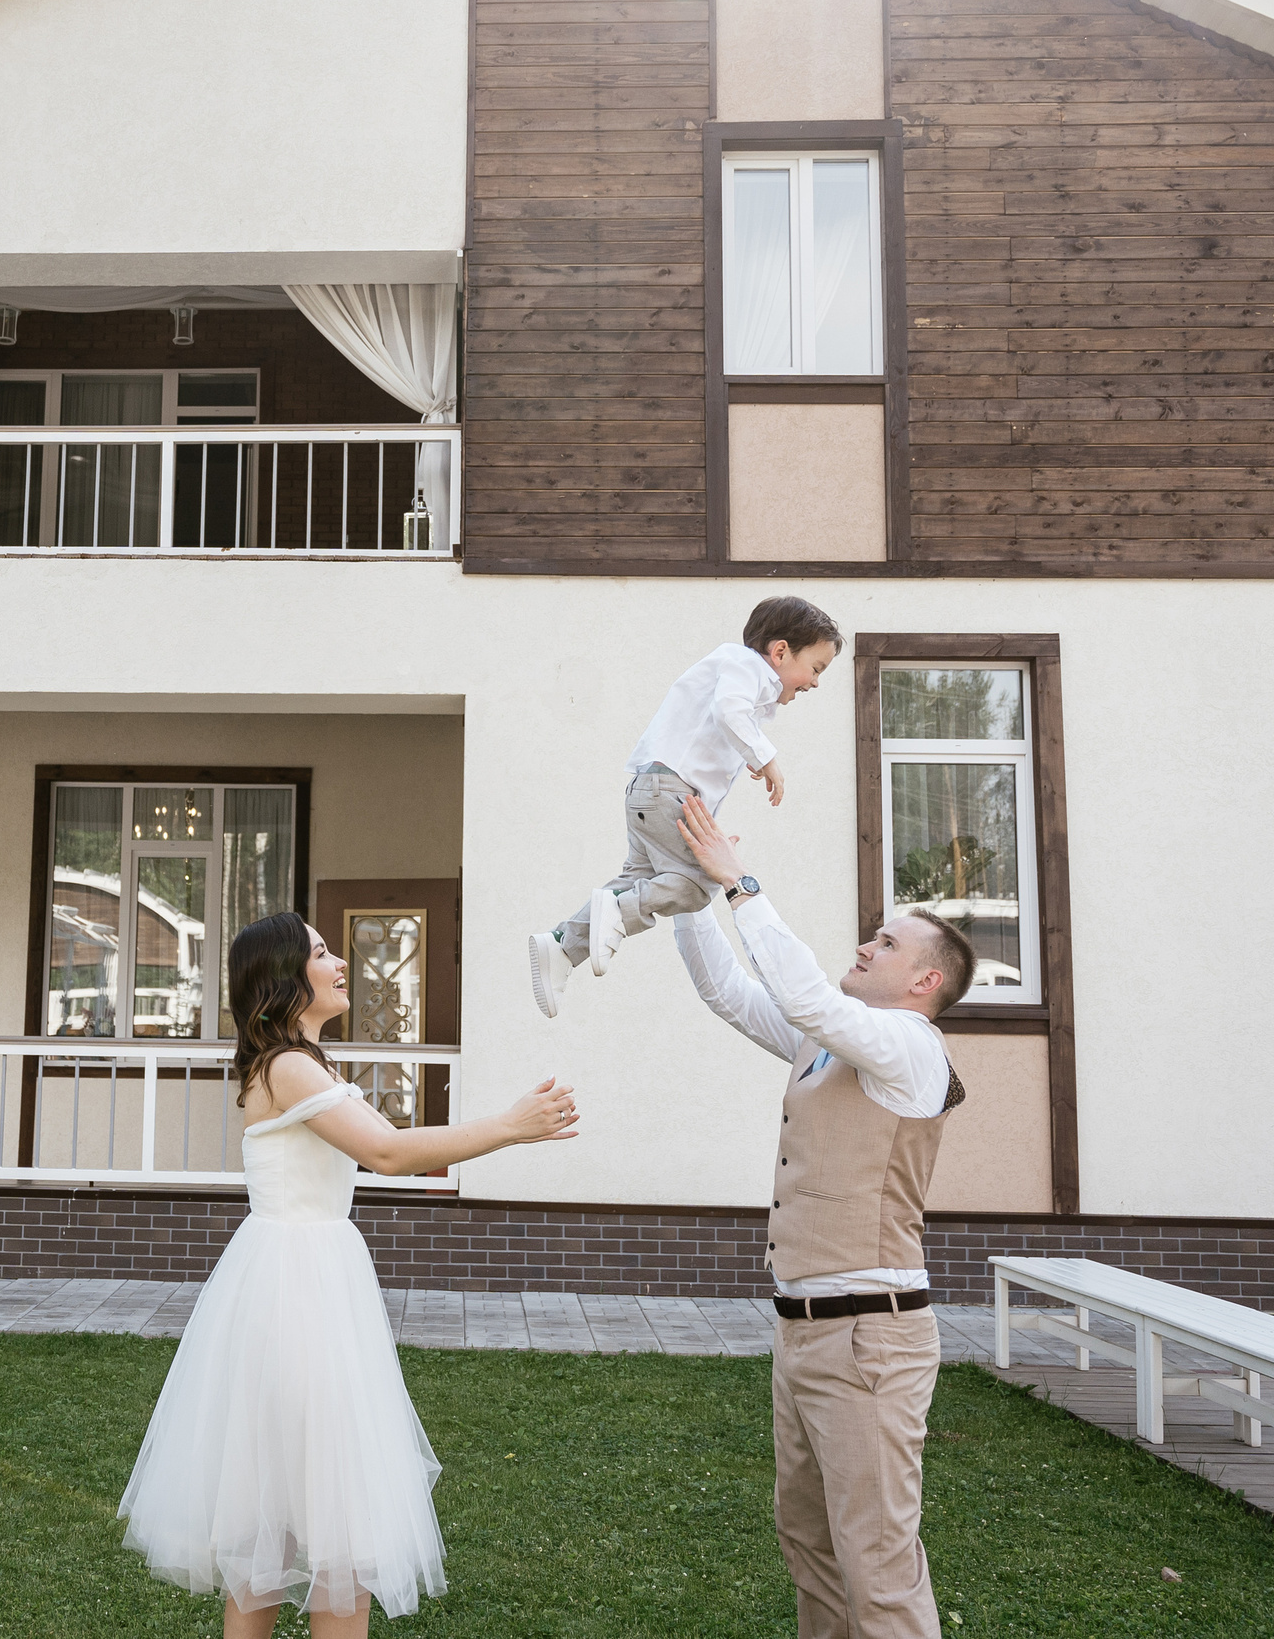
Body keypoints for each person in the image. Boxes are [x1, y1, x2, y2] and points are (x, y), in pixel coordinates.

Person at [118, 911, 580, 1638]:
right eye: (323, 951)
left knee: (271, 1532)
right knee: (333, 1534)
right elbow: (389, 1153)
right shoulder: (291, 1066)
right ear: (285, 978)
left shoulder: (298, 1063)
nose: (338, 961)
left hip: (299, 1283)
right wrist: (510, 1125)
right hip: (298, 1294)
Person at [671, 793, 973, 1639]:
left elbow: (805, 994)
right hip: (802, 1332)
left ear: (925, 980)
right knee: (809, 1546)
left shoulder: (913, 1046)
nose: (865, 945)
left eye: (886, 942)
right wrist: (688, 891)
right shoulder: (833, 1041)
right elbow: (731, 991)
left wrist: (741, 882)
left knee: (876, 1565)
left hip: (871, 1339)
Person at [526, 595, 842, 1018]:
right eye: (816, 668)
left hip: (650, 792)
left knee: (637, 881)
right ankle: (617, 912)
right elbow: (729, 709)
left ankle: (562, 947)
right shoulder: (745, 665)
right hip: (668, 791)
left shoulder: (737, 672)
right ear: (780, 651)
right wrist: (766, 759)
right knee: (699, 886)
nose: (816, 682)